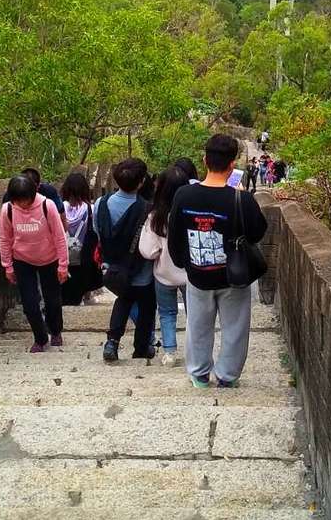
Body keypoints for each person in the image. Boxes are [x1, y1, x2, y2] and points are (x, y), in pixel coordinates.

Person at [168, 133, 267, 389]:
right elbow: (257, 232)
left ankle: (199, 374)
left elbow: (175, 234)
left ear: (205, 160)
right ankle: (227, 376)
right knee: (234, 328)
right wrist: (243, 198)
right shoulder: (240, 198)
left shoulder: (184, 195)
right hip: (234, 276)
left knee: (198, 326)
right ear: (232, 165)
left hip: (198, 273)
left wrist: (184, 264)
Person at [93, 158, 156, 363]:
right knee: (146, 305)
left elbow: (97, 231)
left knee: (124, 299)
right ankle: (141, 347)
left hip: (112, 268)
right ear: (141, 183)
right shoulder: (147, 209)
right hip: (140, 269)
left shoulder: (100, 204)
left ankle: (112, 342)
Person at [0, 173, 68, 353]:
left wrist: (63, 265)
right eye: (18, 201)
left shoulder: (47, 205)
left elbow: (60, 237)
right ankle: (40, 338)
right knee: (29, 304)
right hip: (22, 260)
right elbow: (5, 238)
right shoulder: (8, 210)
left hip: (49, 259)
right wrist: (7, 265)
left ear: (34, 193)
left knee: (52, 299)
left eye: (25, 200)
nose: (22, 204)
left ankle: (55, 331)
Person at [139, 164, 189, 367]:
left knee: (167, 313)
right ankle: (197, 351)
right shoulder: (190, 213)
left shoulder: (156, 216)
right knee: (194, 313)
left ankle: (169, 352)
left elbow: (149, 251)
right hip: (190, 274)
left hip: (164, 274)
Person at [60, 171, 98, 306]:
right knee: (82, 279)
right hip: (83, 255)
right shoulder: (90, 209)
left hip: (64, 254)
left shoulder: (60, 207)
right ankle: (85, 297)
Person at [3, 167, 68, 232]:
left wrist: (63, 233)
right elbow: (6, 223)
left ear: (38, 186)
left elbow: (61, 212)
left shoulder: (49, 192)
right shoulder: (10, 195)